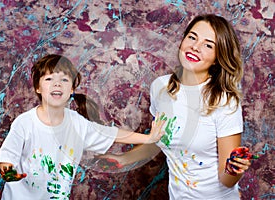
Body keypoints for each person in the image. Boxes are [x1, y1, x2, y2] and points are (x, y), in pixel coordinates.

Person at [100, 14, 255, 199]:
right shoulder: (161, 88)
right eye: (192, 37)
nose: (195, 47)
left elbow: (227, 180)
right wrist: (122, 160)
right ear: (182, 41)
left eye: (208, 45)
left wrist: (233, 170)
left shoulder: (223, 101)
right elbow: (158, 141)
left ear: (217, 58)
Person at [0, 54, 165, 200]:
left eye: (64, 79)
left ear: (71, 89)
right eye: (49, 79)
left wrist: (148, 138)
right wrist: (8, 171)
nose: (57, 84)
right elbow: (8, 156)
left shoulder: (77, 123)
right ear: (38, 88)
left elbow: (112, 134)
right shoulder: (25, 122)